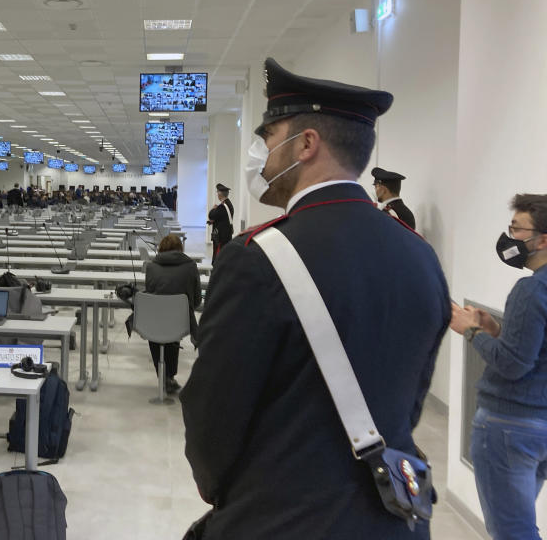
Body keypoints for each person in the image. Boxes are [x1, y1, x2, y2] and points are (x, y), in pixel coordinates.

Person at [180, 58, 449, 539]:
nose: (261, 158)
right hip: (391, 519)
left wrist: (225, 491)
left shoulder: (256, 256)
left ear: (306, 144)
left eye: (268, 140)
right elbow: (410, 399)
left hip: (283, 517)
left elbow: (212, 413)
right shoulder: (420, 255)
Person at [448, 194, 547, 539]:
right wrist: (496, 330)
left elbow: (513, 365)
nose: (509, 237)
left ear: (542, 240)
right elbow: (536, 351)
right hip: (540, 426)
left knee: (513, 532)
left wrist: (470, 331)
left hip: (509, 427)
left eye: (516, 229)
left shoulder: (531, 290)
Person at [143, 234, 201, 394]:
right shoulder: (191, 267)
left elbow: (150, 294)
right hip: (180, 322)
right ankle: (169, 376)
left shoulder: (151, 267)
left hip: (152, 323)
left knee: (157, 323)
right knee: (173, 325)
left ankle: (163, 375)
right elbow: (196, 301)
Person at [206, 183, 234, 259]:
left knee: (218, 257)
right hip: (225, 235)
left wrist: (213, 208)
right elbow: (220, 218)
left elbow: (211, 216)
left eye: (217, 192)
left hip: (221, 237)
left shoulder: (222, 207)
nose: (217, 194)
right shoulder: (228, 204)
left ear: (220, 194)